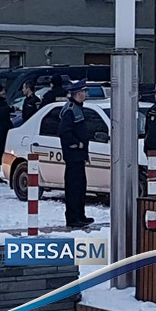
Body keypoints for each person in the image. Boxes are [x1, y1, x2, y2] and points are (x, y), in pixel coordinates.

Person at [57, 79, 93, 228]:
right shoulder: (71, 110)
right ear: (78, 94)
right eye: (84, 92)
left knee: (80, 186)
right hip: (73, 156)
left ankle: (80, 215)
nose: (85, 94)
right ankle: (73, 218)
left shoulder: (77, 108)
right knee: (73, 187)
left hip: (79, 156)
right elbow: (64, 132)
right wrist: (76, 144)